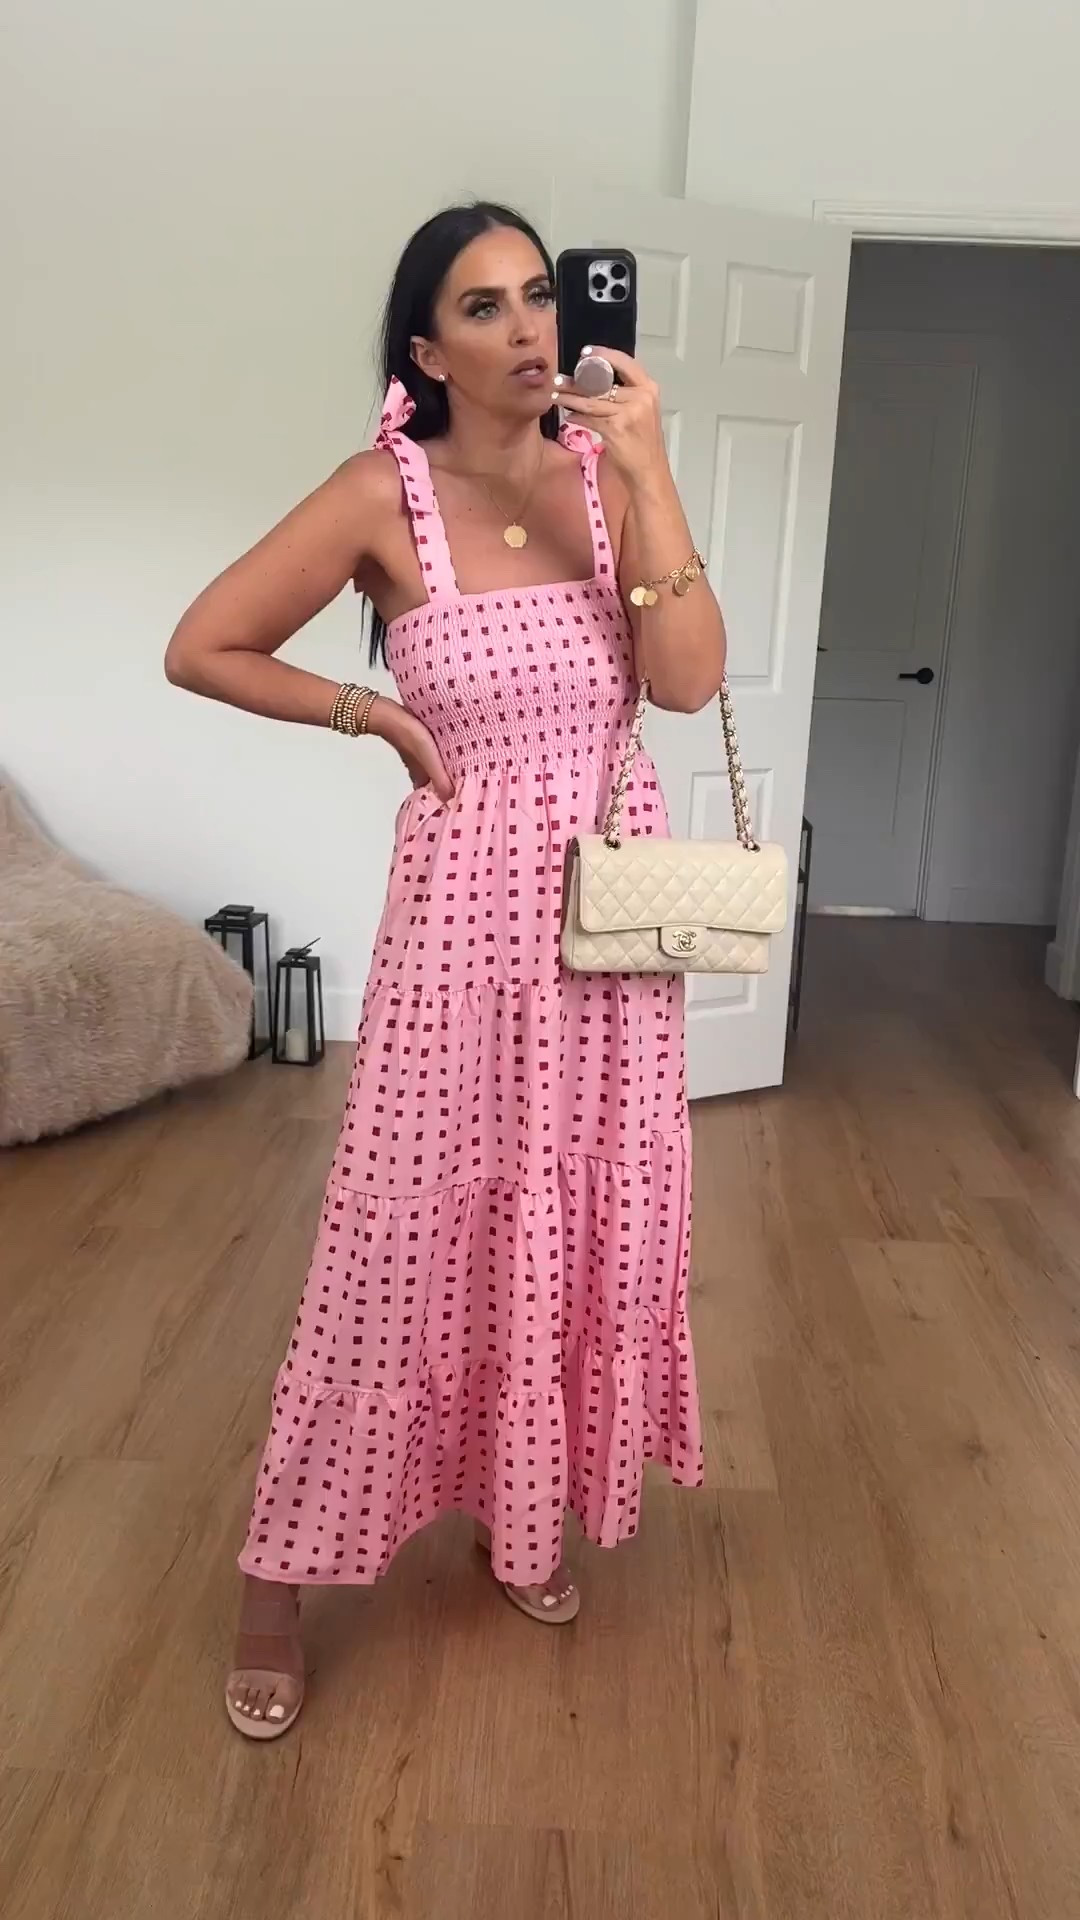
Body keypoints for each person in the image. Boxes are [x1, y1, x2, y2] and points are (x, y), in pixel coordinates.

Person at [165, 202, 727, 1740]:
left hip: (611, 925)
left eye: (539, 294)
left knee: (575, 1222)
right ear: (426, 351)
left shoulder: (607, 477)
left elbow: (686, 683)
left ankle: (519, 1517)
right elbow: (204, 645)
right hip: (465, 927)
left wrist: (650, 465)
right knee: (403, 1238)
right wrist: (380, 718)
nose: (529, 326)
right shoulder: (382, 494)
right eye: (485, 307)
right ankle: (277, 1575)